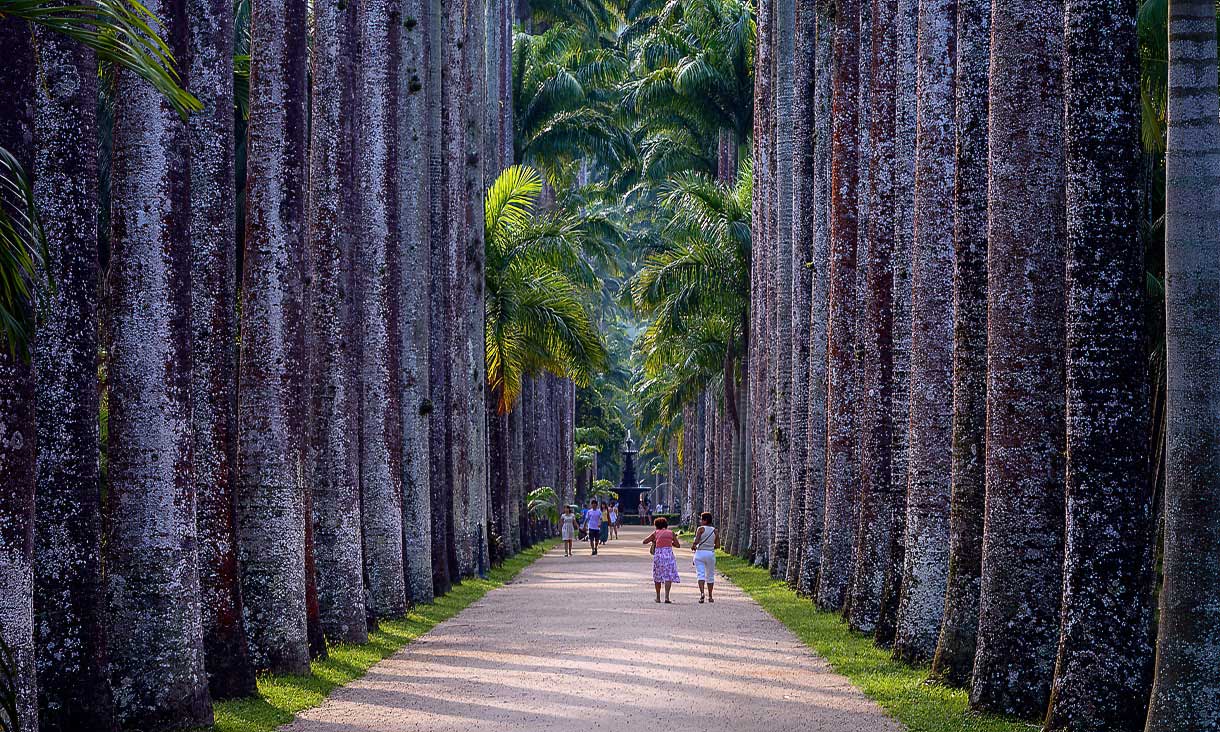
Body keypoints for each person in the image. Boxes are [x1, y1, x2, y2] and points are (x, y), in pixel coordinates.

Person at [643, 517, 681, 603]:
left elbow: (644, 541)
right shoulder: (671, 533)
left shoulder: (656, 533)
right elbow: (678, 545)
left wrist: (654, 540)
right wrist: (670, 542)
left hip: (659, 557)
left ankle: (658, 597)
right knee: (668, 576)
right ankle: (667, 597)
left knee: (657, 576)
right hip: (669, 556)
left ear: (656, 526)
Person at [691, 511, 718, 603]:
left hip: (700, 554)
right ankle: (710, 596)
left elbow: (697, 541)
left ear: (705, 520)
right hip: (710, 553)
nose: (700, 521)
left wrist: (694, 545)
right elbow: (718, 545)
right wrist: (710, 547)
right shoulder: (715, 530)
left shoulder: (700, 529)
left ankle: (702, 593)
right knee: (710, 575)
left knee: (700, 574)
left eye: (701, 519)